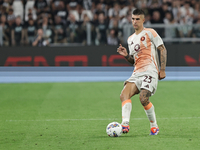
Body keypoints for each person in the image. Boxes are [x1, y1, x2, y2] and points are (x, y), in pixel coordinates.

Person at [117, 9, 167, 135]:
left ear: (143, 20)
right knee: (123, 95)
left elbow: (162, 49)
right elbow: (133, 61)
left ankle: (154, 126)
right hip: (137, 72)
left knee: (143, 99)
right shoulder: (130, 39)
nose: (135, 21)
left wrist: (162, 69)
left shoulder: (150, 32)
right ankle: (124, 125)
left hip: (150, 71)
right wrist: (126, 55)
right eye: (133, 19)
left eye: (137, 19)